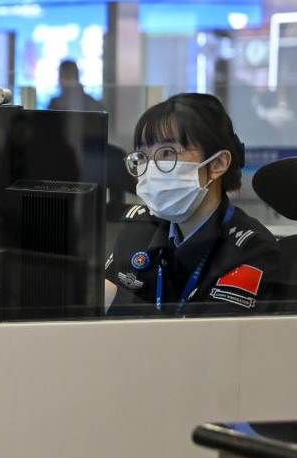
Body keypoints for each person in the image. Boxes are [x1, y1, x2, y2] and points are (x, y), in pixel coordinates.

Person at [104, 93, 282, 316]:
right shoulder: (138, 230)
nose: (150, 168)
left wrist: (115, 300)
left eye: (167, 153)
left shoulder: (251, 249)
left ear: (218, 164)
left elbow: (214, 334)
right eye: (142, 156)